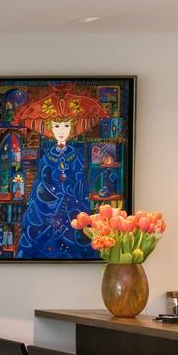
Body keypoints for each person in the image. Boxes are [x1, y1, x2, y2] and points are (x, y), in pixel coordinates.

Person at [13, 85, 107, 260]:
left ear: (72, 128)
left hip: (73, 205)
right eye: (57, 126)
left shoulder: (76, 155)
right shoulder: (47, 157)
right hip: (47, 208)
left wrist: (70, 187)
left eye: (66, 125)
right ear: (51, 129)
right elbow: (42, 181)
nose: (62, 131)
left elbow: (80, 181)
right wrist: (53, 189)